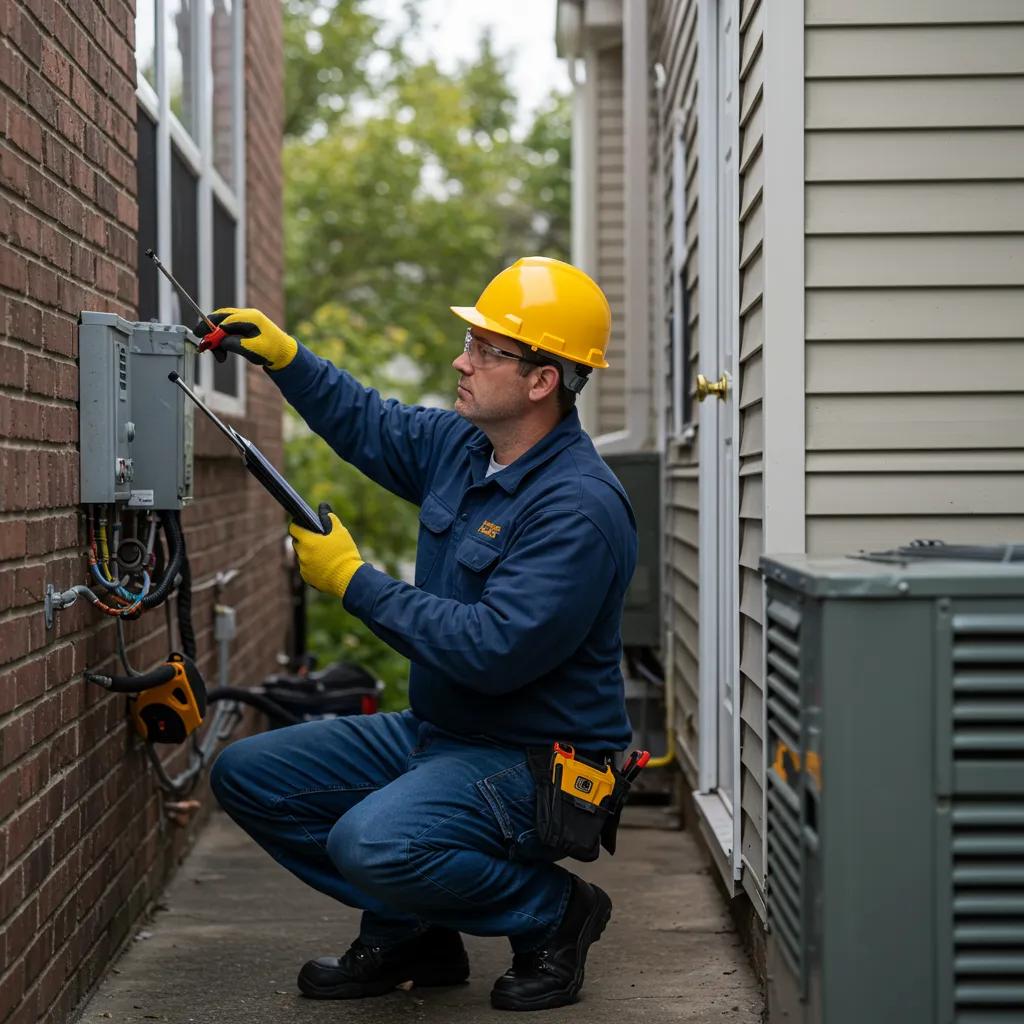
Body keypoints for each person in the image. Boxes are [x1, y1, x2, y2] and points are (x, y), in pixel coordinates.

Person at [208, 256, 638, 1012]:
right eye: (470, 342)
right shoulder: (465, 447)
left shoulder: (577, 508)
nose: (461, 360)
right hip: (442, 731)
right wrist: (286, 358)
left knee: (371, 843)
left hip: (535, 759)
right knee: (250, 776)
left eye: (486, 351)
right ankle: (414, 932)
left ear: (543, 380)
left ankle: (554, 913)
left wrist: (354, 582)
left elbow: (493, 649)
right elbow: (370, 423)